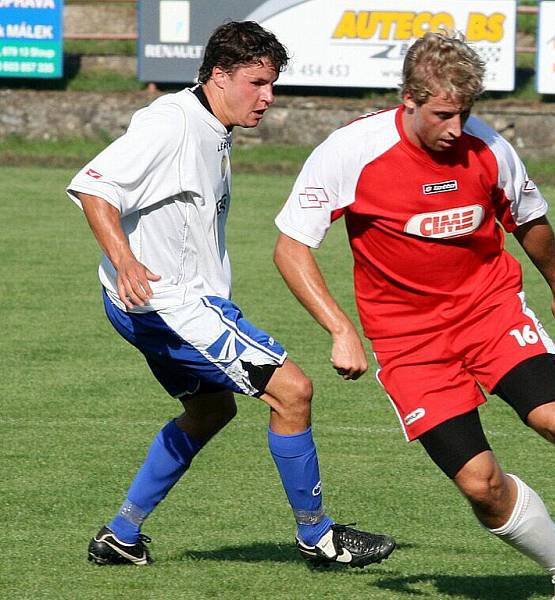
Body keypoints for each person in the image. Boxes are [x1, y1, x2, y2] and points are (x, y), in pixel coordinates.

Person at [272, 30, 555, 599]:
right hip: (409, 343)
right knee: (481, 485)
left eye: (464, 113)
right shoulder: (351, 152)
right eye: (443, 114)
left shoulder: (487, 148)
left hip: (490, 311)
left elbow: (529, 220)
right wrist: (341, 329)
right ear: (409, 101)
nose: (455, 128)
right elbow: (291, 246)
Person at [67, 21, 395, 569]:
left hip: (158, 303)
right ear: (219, 75)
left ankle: (122, 534)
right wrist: (126, 260)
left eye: (273, 84)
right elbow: (94, 186)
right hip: (168, 303)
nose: (268, 98)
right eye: (257, 83)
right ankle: (318, 536)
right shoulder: (171, 124)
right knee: (293, 391)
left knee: (209, 410)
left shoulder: (209, 121)